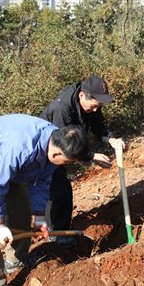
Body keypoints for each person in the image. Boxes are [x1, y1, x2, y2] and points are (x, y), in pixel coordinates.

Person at [0, 114, 90, 286]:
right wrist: (0, 224)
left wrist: (40, 217)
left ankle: (16, 259)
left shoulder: (53, 143)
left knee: (22, 211)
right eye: (67, 162)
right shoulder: (20, 148)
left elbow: (42, 182)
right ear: (56, 154)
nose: (67, 166)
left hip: (5, 163)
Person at [38, 75, 125, 247]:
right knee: (59, 187)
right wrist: (91, 157)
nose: (95, 110)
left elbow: (97, 124)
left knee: (58, 187)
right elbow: (66, 145)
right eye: (94, 106)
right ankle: (57, 233)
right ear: (82, 95)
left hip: (62, 147)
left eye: (98, 107)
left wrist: (110, 139)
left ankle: (55, 227)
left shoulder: (91, 105)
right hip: (47, 151)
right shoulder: (61, 110)